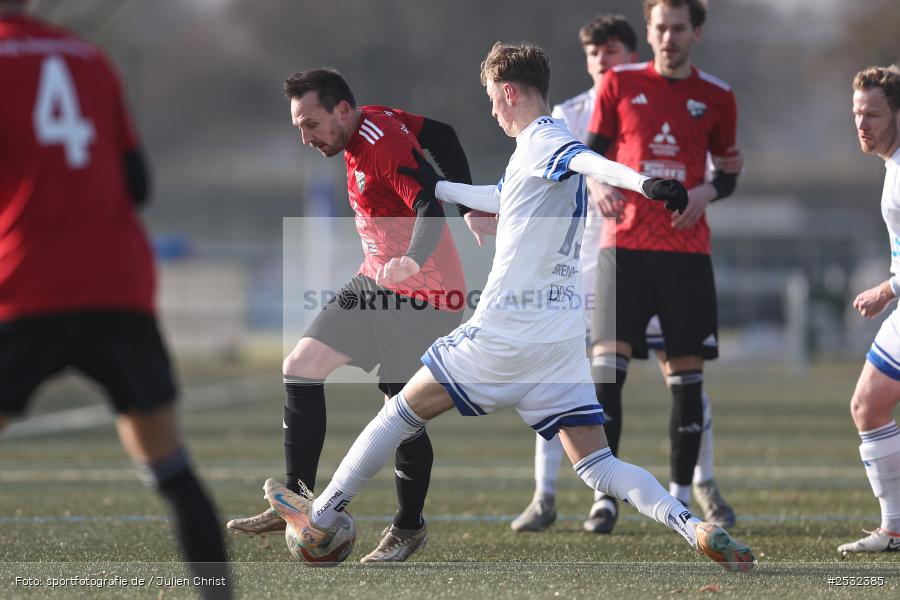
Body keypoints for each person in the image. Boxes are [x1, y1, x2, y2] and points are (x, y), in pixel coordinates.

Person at [260, 41, 755, 572]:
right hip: (560, 344)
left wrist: (647, 184)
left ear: (511, 92)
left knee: (397, 413)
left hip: (505, 332)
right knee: (598, 465)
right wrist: (438, 188)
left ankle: (322, 512)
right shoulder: (533, 154)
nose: (492, 112)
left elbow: (591, 162)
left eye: (494, 100)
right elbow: (502, 195)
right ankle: (691, 525)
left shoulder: (547, 140)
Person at [0, 2, 229, 597]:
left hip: (28, 288)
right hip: (118, 288)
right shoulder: (90, 58)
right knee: (171, 467)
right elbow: (138, 183)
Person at [226, 68, 475, 562]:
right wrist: (468, 197)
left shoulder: (383, 146)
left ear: (342, 110)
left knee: (401, 414)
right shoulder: (375, 116)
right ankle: (296, 499)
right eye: (299, 127)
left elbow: (427, 204)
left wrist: (419, 253)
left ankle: (408, 527)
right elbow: (442, 133)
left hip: (423, 293)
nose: (306, 138)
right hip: (374, 281)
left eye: (311, 124)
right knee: (300, 365)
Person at [513, 10, 740, 535]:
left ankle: (687, 495)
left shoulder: (718, 95)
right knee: (601, 379)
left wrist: (702, 194)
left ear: (695, 34)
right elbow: (587, 153)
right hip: (620, 252)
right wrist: (597, 186)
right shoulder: (616, 88)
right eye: (661, 27)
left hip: (684, 254)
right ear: (652, 31)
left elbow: (727, 173)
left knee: (685, 380)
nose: (668, 37)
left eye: (678, 28)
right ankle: (600, 499)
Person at [839, 65, 900, 554]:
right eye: (857, 113)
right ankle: (895, 528)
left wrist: (887, 288)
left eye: (873, 114)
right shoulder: (892, 164)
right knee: (868, 405)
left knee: (869, 404)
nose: (862, 124)